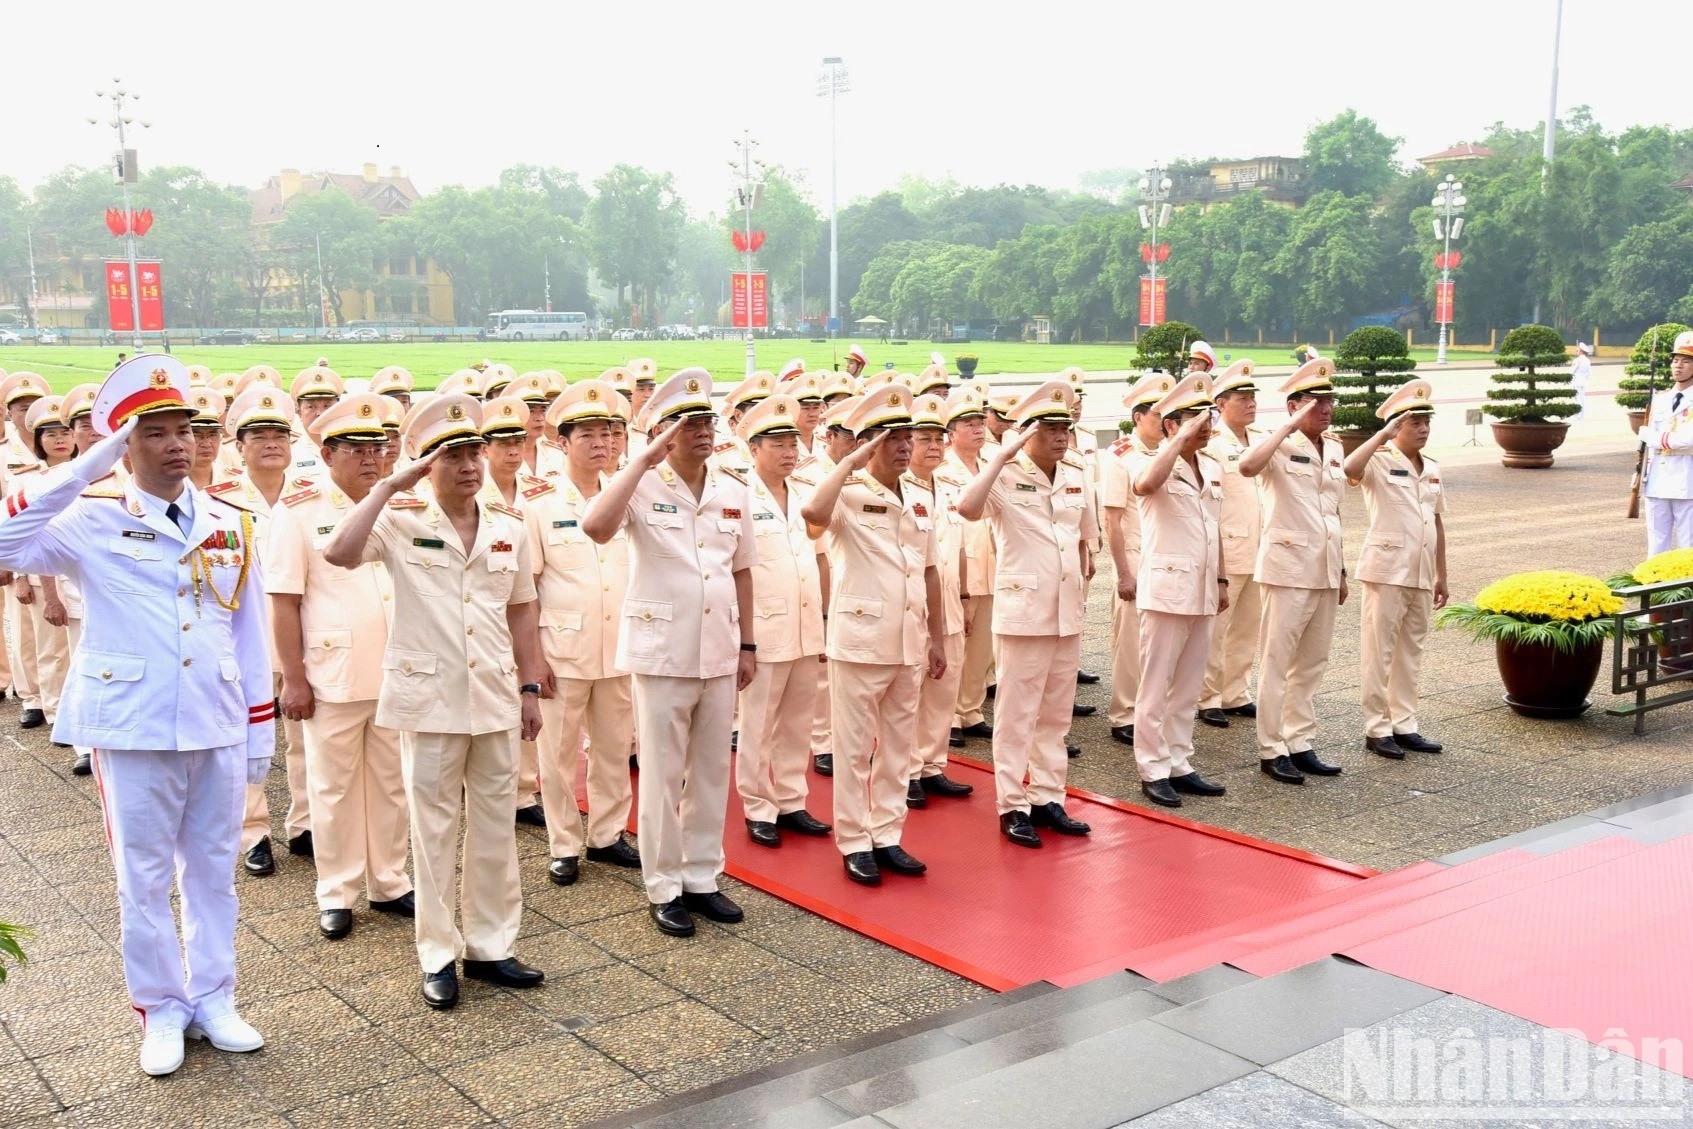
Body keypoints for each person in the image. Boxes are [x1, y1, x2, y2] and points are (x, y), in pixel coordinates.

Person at [0, 354, 274, 1076]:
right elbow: (5, 542)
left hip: (215, 717)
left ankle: (214, 994)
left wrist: (259, 729)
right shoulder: (90, 520)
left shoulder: (230, 521)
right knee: (143, 876)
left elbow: (248, 631)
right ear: (125, 444)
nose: (178, 444)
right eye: (155, 432)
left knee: (213, 871)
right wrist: (83, 469)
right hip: (134, 721)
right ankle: (160, 1006)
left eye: (186, 429)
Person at [323, 393, 548, 1010]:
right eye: (452, 455)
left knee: (497, 828)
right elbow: (339, 553)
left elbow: (523, 610)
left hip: (497, 694)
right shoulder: (399, 521)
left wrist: (531, 685)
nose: (470, 465)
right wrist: (386, 487)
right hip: (429, 700)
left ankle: (491, 946)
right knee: (433, 830)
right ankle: (438, 954)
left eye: (474, 452)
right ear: (427, 466)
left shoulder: (508, 527)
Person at [581, 369, 756, 938]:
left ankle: (702, 877)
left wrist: (749, 643)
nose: (703, 431)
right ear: (661, 432)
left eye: (707, 420)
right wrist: (639, 463)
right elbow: (596, 526)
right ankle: (663, 885)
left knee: (710, 771)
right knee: (661, 774)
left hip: (720, 649)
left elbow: (743, 569)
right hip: (662, 652)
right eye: (688, 422)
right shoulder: (640, 485)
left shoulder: (732, 488)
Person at [267, 394, 414, 941]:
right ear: (328, 454)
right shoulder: (299, 512)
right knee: (331, 789)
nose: (371, 458)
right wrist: (295, 677)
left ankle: (390, 881)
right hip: (332, 675)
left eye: (378, 447)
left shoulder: (404, 506)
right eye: (356, 448)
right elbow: (283, 601)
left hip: (398, 671)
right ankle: (337, 891)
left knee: (392, 784)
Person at [800, 385, 946, 884]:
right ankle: (854, 840)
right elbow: (813, 515)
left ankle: (887, 835)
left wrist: (939, 639)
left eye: (908, 436)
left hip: (908, 641)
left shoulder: (923, 495)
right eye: (892, 438)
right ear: (869, 444)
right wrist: (851, 463)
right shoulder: (847, 494)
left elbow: (929, 570)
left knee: (898, 749)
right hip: (860, 641)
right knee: (854, 749)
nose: (905, 446)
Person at [957, 380, 1096, 848]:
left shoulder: (1077, 470)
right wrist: (999, 455)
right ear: (1025, 431)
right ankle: (1013, 804)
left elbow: (1083, 538)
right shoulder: (1004, 473)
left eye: (1065, 427)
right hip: (1023, 611)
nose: (1061, 436)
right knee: (1017, 715)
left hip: (1066, 609)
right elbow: (967, 507)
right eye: (1049, 427)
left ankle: (1048, 796)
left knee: (1055, 714)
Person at [523, 380, 642, 886]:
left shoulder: (629, 498)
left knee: (615, 748)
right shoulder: (541, 503)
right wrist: (531, 661)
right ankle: (564, 842)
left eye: (609, 433)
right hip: (562, 649)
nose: (601, 443)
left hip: (618, 646)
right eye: (588, 434)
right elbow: (525, 589)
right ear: (563, 441)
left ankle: (609, 834)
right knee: (557, 754)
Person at [213, 388, 315, 877]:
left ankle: (307, 822)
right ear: (240, 446)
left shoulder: (311, 495)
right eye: (259, 436)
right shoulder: (217, 502)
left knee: (306, 735)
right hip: (245, 633)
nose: (271, 444)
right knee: (246, 736)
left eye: (279, 435)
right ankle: (252, 832)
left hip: (300, 631)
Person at [1238, 359, 1348, 785]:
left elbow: (1333, 511)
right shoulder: (1275, 444)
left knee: (1312, 661)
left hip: (1322, 567)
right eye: (1315, 401)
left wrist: (1340, 567)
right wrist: (1286, 429)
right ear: (1293, 406)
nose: (1325, 408)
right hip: (1287, 568)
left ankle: (1300, 740)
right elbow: (1247, 468)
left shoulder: (1334, 448)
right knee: (1277, 659)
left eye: (1329, 400)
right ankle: (1272, 748)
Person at [733, 394, 833, 847]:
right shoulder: (737, 495)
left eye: (793, 443)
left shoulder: (806, 492)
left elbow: (819, 557)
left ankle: (792, 799)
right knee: (758, 723)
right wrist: (742, 639)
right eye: (777, 444)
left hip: (805, 623)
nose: (789, 452)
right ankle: (758, 806)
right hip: (764, 628)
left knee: (797, 719)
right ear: (754, 449)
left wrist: (826, 618)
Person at [1128, 375, 1230, 808]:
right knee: (1156, 683)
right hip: (1167, 588)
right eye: (1192, 418)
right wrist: (1178, 441)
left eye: (1207, 417)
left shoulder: (1211, 467)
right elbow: (1145, 486)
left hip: (1203, 587)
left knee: (1189, 684)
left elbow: (1214, 529)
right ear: (1169, 425)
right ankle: (1152, 767)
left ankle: (1179, 761)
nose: (1203, 425)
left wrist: (1222, 579)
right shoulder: (1149, 460)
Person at [1343, 378, 1449, 760]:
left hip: (1420, 572)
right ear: (1395, 426)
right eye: (1413, 422)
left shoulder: (1432, 467)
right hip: (1386, 570)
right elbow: (1349, 468)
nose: (1422, 428)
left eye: (1426, 422)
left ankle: (1405, 724)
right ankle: (1377, 728)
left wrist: (1442, 575)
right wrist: (1380, 436)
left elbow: (1436, 523)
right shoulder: (1378, 462)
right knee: (1379, 652)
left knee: (1410, 652)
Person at [906, 393, 974, 803]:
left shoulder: (950, 485)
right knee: (910, 691)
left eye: (937, 438)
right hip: (913, 604)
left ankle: (933, 764)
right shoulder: (895, 487)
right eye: (923, 439)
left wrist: (965, 597)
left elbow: (960, 545)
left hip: (948, 600)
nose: (932, 447)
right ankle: (908, 769)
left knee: (944, 687)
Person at [1101, 375, 1169, 747]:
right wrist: (1123, 573)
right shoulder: (1121, 456)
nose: (1165, 421)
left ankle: (1151, 710)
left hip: (1166, 558)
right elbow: (1111, 520)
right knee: (1130, 642)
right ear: (1139, 416)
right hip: (1136, 557)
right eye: (1158, 415)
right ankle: (1123, 713)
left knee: (1160, 644)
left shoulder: (1171, 451)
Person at [1197, 361, 1263, 728]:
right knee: (1217, 629)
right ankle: (1208, 697)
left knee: (1247, 627)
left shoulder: (1261, 439)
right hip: (1229, 548)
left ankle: (1236, 692)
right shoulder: (1213, 445)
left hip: (1261, 547)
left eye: (1253, 397)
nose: (1251, 404)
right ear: (1221, 404)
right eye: (1242, 398)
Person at [942, 386, 998, 747]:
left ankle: (971, 709)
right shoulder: (940, 467)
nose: (978, 429)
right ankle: (948, 718)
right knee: (955, 649)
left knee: (982, 649)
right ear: (951, 432)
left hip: (993, 565)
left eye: (980, 422)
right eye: (969, 424)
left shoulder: (993, 461)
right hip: (957, 569)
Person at [1, 370, 48, 729]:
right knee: (24, 629)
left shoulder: (58, 444)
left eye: (34, 406)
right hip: (19, 553)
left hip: (55, 556)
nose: (26, 412)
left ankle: (53, 698)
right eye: (21, 408)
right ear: (10, 413)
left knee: (55, 635)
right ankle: (32, 697)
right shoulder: (6, 455)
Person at [1642, 331, 1693, 553]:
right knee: (1656, 545)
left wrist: (1650, 437)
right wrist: (1640, 475)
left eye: (1686, 361)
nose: (1678, 366)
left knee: (1688, 547)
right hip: (1657, 479)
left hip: (1687, 479)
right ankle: (1654, 587)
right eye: (1675, 360)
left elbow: (1686, 440)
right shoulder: (1660, 399)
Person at [1570, 342, 1593, 421]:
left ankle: (1577, 415)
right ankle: (1581, 415)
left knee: (1577, 399)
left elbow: (1572, 371)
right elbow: (1589, 373)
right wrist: (1585, 379)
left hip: (1577, 381)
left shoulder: (1577, 360)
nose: (1577, 351)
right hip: (1583, 381)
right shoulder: (1587, 360)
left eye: (1578, 350)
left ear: (1581, 351)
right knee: (1582, 399)